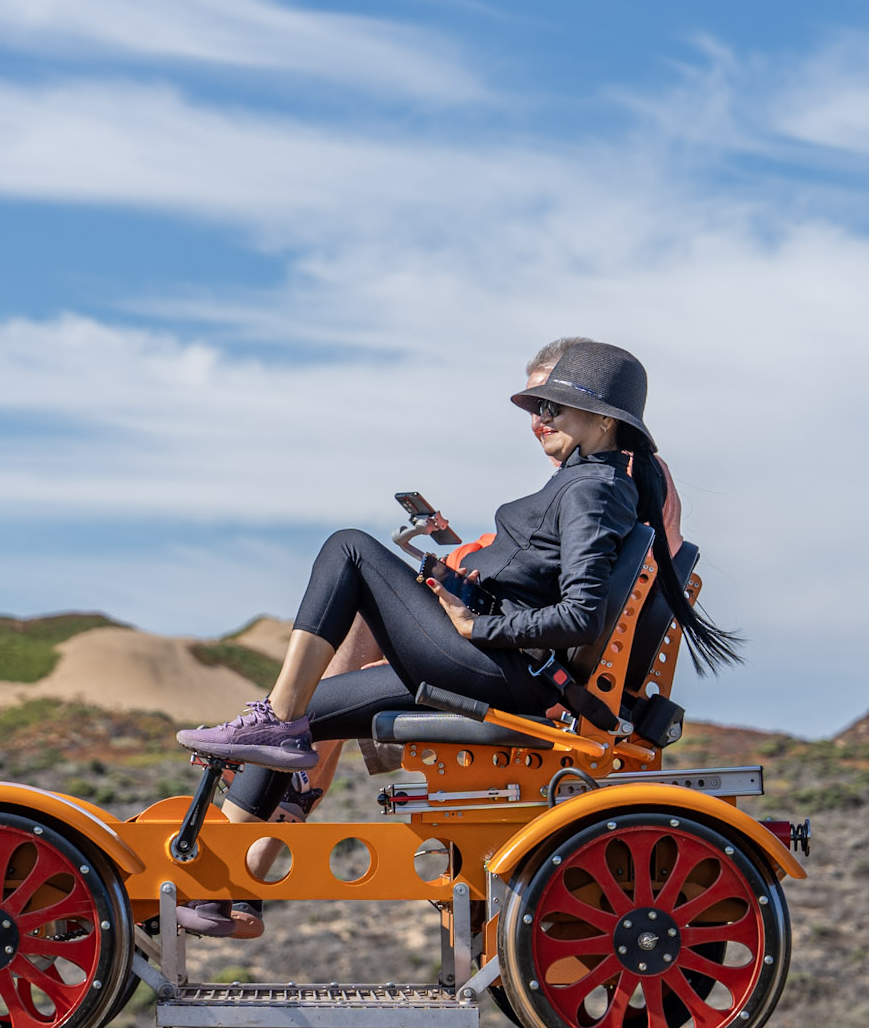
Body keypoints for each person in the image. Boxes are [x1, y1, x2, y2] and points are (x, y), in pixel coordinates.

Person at [175, 340, 736, 937]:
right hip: (502, 662)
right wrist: (464, 584)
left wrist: (479, 623)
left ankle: (272, 724)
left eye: (556, 407)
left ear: (603, 421)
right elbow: (544, 581)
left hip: (506, 672)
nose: (540, 418)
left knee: (350, 550)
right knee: (311, 710)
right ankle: (223, 891)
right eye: (539, 406)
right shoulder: (592, 484)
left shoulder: (593, 490)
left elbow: (581, 617)